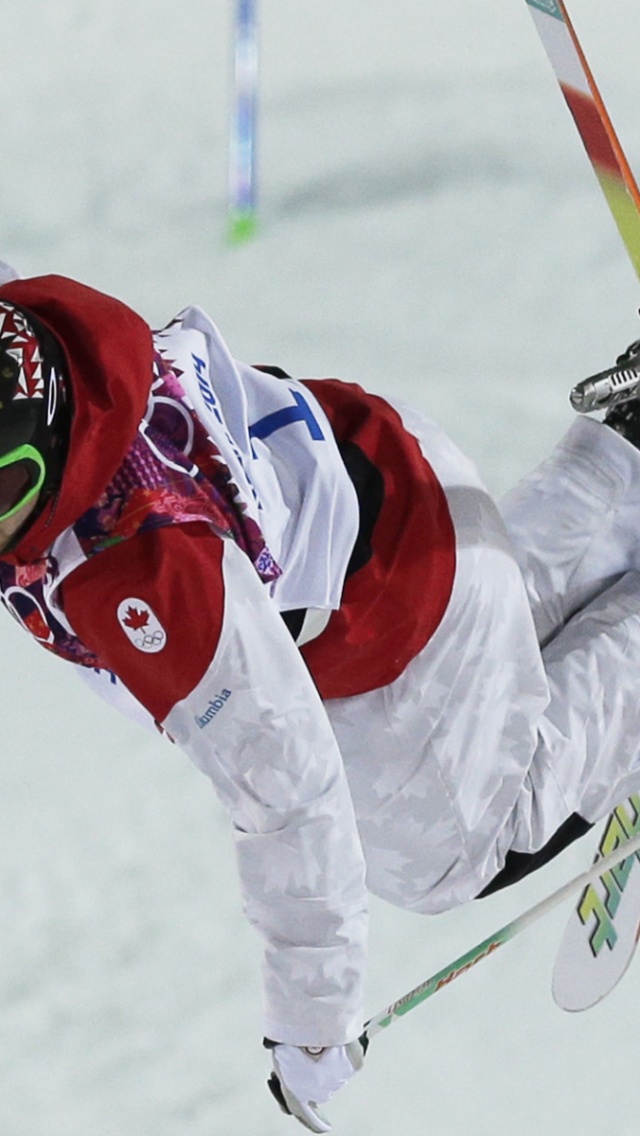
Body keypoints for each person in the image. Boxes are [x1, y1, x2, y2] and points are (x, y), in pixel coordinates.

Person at [2, 259, 640, 1133]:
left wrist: (312, 1023)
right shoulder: (36, 340)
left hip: (397, 609)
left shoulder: (135, 568)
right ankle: (629, 464)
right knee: (477, 699)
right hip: (391, 485)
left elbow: (287, 787)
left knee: (452, 850)